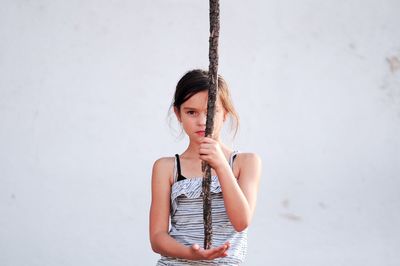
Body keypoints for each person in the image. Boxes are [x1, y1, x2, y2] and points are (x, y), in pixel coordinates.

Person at [149, 69, 261, 265]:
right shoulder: (167, 168)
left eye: (211, 111)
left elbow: (241, 221)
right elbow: (157, 237)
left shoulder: (245, 162)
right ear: (178, 113)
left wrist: (221, 165)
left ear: (225, 112)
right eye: (191, 112)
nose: (202, 121)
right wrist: (190, 254)